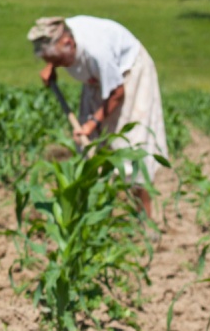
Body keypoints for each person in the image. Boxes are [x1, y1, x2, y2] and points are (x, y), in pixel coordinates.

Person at [28, 15, 168, 213]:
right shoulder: (62, 35)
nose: (59, 64)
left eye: (57, 60)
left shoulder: (97, 52)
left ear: (68, 43)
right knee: (90, 147)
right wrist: (51, 66)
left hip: (128, 75)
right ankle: (97, 211)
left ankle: (144, 216)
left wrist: (92, 123)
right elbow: (55, 48)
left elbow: (117, 92)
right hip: (97, 79)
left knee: (130, 146)